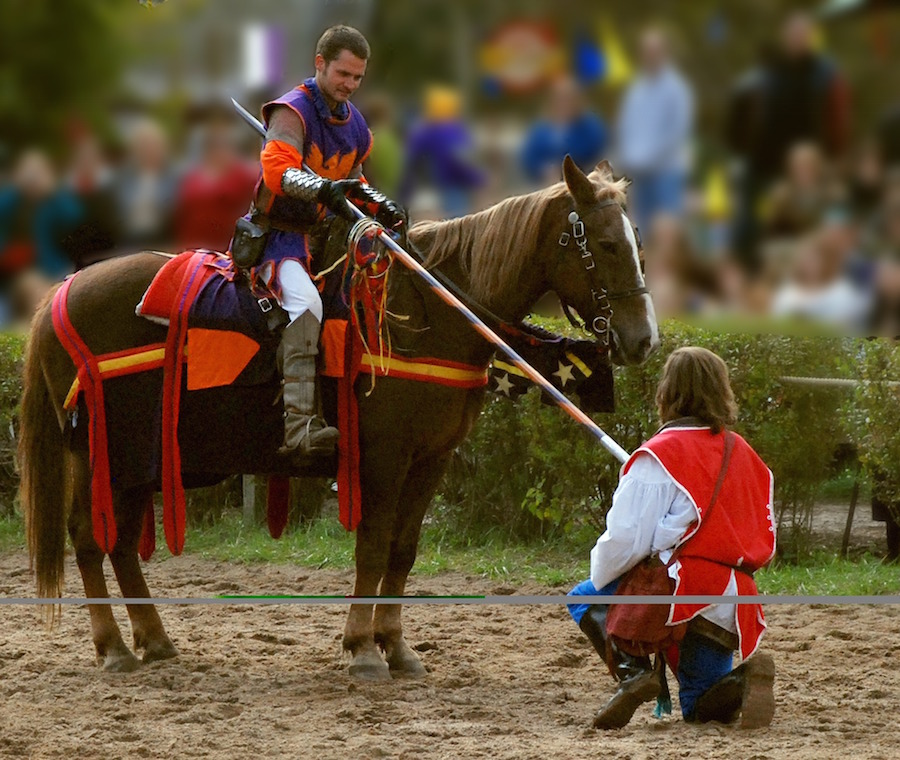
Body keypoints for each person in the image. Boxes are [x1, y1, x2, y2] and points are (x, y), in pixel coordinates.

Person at [567, 347, 777, 729]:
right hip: (734, 599)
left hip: (678, 588)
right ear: (722, 391)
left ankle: (635, 673)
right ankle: (742, 680)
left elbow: (626, 541)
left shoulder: (660, 455)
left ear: (666, 392)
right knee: (700, 708)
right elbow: (764, 533)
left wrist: (607, 578)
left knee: (586, 597)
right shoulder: (746, 454)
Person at [242, 25, 405, 457]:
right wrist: (320, 190)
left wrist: (380, 205)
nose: (349, 85)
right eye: (342, 74)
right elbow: (277, 172)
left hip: (328, 244)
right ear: (320, 64)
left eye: (357, 78)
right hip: (280, 240)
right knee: (307, 306)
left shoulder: (356, 125)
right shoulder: (291, 111)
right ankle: (298, 428)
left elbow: (354, 181)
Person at [728, 12, 851, 275]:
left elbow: (836, 122)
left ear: (810, 38)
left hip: (801, 165)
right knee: (749, 224)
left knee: (797, 225)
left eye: (801, 35)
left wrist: (832, 160)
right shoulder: (770, 72)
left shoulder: (823, 74)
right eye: (792, 35)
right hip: (762, 162)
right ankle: (747, 278)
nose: (796, 40)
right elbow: (747, 113)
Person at [614, 27, 693, 234]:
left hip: (666, 172)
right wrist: (629, 158)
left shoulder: (676, 89)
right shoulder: (636, 89)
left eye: (655, 51)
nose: (650, 56)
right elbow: (626, 127)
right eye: (647, 51)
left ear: (664, 53)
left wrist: (647, 158)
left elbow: (676, 133)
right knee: (642, 230)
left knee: (668, 229)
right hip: (639, 174)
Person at [399, 85, 485, 218]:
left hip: (424, 194)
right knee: (455, 230)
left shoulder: (420, 132)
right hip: (453, 193)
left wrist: (404, 193)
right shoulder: (454, 132)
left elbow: (409, 164)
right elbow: (461, 163)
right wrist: (478, 180)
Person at [520, 75, 607, 186]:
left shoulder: (590, 125)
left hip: (582, 184)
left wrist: (560, 167)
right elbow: (529, 156)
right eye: (559, 99)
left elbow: (591, 150)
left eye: (568, 98)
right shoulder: (541, 128)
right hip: (545, 184)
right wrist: (543, 169)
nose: (563, 103)